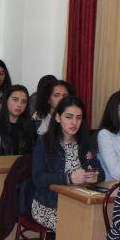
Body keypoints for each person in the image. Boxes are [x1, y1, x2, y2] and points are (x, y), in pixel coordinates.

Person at [30, 96, 104, 230]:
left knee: (100, 223)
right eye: (69, 117)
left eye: (79, 118)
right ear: (58, 118)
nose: (74, 122)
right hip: (49, 205)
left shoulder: (84, 142)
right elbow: (38, 178)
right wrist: (69, 178)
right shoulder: (45, 142)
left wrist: (95, 175)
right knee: (77, 227)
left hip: (79, 202)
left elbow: (100, 171)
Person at [0, 85, 35, 157]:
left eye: (24, 102)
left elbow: (34, 156)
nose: (19, 105)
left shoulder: (31, 126)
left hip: (22, 167)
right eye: (15, 99)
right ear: (6, 100)